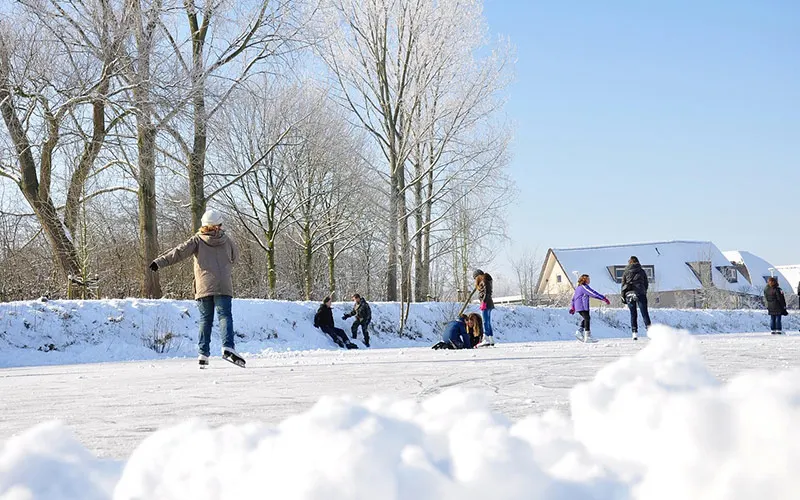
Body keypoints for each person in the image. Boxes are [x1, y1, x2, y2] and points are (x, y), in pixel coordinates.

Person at [149, 209, 244, 368]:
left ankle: (203, 354)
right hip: (223, 285)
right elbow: (235, 257)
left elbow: (178, 253)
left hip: (204, 286)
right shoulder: (227, 240)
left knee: (205, 320)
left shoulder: (197, 240)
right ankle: (228, 347)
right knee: (224, 316)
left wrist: (159, 262)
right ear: (219, 225)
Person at [569, 274, 610, 342]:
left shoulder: (579, 288)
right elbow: (592, 293)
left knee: (586, 318)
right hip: (582, 306)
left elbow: (573, 298)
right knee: (587, 318)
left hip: (582, 306)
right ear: (584, 280)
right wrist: (603, 298)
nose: (589, 280)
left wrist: (573, 307)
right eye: (588, 279)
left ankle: (580, 331)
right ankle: (587, 336)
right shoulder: (583, 287)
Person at [620, 255, 651, 340]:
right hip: (640, 293)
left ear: (629, 262)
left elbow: (623, 285)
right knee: (644, 313)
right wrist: (644, 291)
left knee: (633, 314)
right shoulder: (641, 271)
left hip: (629, 294)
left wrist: (622, 296)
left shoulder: (626, 272)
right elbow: (646, 283)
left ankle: (634, 333)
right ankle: (649, 332)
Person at [473, 269, 495, 346]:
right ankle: (491, 338)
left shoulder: (483, 281)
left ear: (478, 276)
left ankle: (486, 339)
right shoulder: (487, 280)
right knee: (488, 322)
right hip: (489, 303)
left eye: (475, 278)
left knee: (485, 321)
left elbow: (486, 293)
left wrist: (483, 303)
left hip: (486, 304)